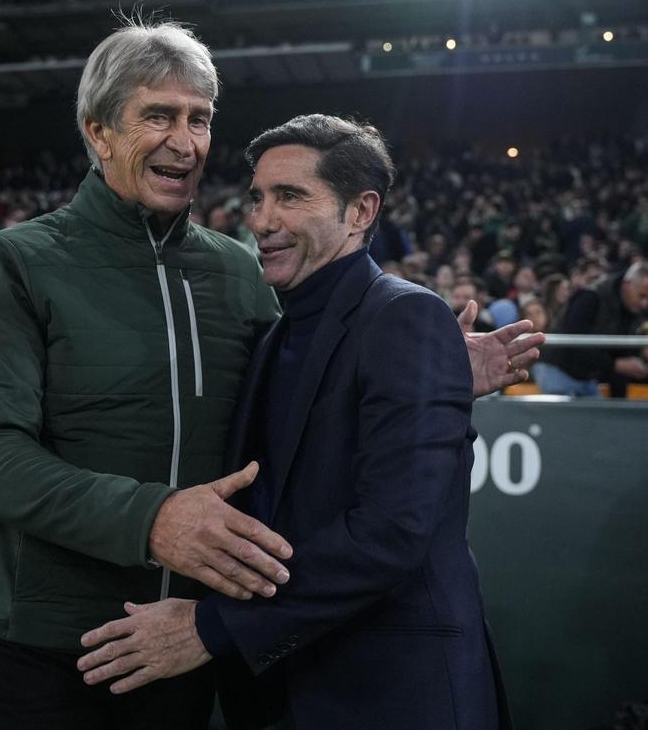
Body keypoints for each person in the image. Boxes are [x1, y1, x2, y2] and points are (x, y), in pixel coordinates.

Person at [0, 17, 539, 730]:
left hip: (198, 641)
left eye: (200, 119)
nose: (185, 141)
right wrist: (154, 519)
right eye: (158, 116)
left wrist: (433, 374)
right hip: (57, 642)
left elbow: (308, 404)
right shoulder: (22, 260)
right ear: (98, 131)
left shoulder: (240, 271)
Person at [76, 115, 520, 730]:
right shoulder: (278, 332)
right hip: (281, 693)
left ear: (361, 211)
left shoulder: (407, 319)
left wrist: (211, 628)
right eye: (257, 197)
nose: (261, 220)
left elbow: (391, 529)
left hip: (389, 694)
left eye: (290, 196)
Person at [533, 260, 648, 397]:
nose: (645, 304)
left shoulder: (630, 310)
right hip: (557, 368)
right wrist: (616, 364)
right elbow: (575, 343)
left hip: (586, 375)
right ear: (627, 285)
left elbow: (618, 354)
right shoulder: (591, 296)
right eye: (642, 296)